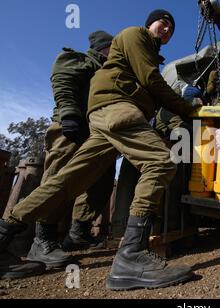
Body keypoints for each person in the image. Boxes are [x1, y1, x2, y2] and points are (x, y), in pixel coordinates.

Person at [0, 9, 198, 290]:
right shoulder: (134, 34)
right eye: (162, 22)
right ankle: (131, 256)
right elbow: (152, 80)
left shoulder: (146, 49)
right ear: (149, 23)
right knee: (161, 161)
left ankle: (3, 235)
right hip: (117, 107)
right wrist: (190, 109)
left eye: (171, 28)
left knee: (68, 181)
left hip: (108, 115)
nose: (166, 29)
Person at [30, 31, 116, 271]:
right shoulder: (80, 60)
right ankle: (42, 239)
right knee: (59, 178)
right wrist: (69, 114)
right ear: (103, 48)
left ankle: (78, 232)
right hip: (73, 127)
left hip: (98, 133)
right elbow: (63, 80)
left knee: (101, 183)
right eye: (113, 47)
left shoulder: (111, 72)